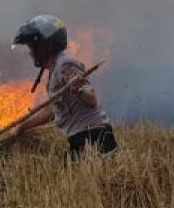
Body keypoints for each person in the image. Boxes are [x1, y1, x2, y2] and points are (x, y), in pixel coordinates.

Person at [10, 14, 117, 158]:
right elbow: (52, 110)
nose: (30, 52)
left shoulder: (65, 65)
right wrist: (22, 126)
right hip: (80, 138)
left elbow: (91, 100)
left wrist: (77, 89)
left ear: (45, 44)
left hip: (94, 138)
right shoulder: (55, 69)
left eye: (32, 46)